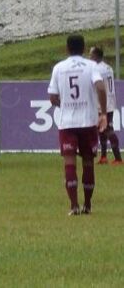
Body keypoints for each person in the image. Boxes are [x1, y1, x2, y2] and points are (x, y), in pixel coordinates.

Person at [48, 35, 107, 215]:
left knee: (69, 163)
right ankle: (87, 205)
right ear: (83, 48)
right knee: (88, 162)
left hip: (67, 123)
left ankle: (73, 206)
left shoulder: (59, 68)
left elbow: (52, 97)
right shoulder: (92, 66)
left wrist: (64, 104)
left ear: (67, 48)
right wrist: (103, 113)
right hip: (88, 121)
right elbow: (101, 87)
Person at [89, 46, 122, 165]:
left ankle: (118, 158)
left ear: (96, 56)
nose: (89, 57)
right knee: (102, 129)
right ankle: (103, 157)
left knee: (107, 129)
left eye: (91, 55)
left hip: (102, 102)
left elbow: (96, 86)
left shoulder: (96, 69)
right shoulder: (108, 67)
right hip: (110, 101)